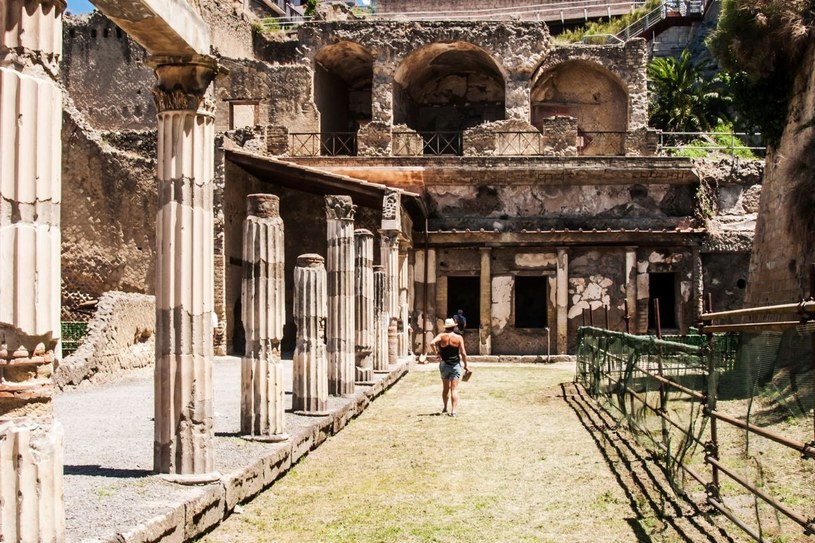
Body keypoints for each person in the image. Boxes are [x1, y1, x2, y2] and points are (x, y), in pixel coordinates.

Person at [429, 318, 469, 417]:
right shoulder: (459, 337)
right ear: (454, 326)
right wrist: (466, 365)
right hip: (455, 364)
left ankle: (445, 408)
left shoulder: (441, 336)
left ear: (446, 327)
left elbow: (432, 343)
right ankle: (454, 411)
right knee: (454, 389)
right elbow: (463, 353)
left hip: (444, 364)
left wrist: (437, 353)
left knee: (445, 388)